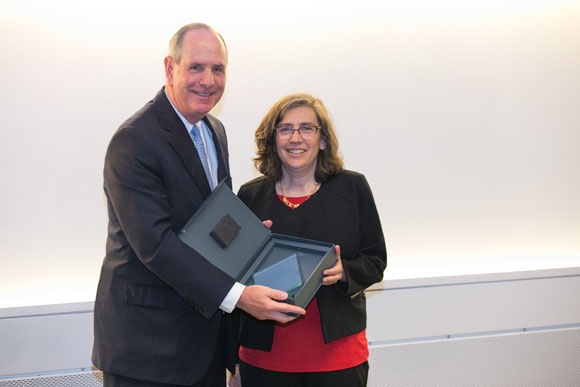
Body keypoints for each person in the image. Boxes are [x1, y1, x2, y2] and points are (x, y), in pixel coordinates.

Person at [92, 23, 305, 387]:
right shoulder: (134, 140)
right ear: (170, 68)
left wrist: (245, 237)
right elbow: (156, 246)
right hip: (147, 350)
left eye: (218, 69)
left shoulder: (213, 131)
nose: (208, 80)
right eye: (196, 67)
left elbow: (209, 220)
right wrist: (238, 297)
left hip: (202, 342)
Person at [230, 93, 387, 387]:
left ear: (323, 139)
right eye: (285, 128)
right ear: (272, 139)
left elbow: (376, 260)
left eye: (307, 128)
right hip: (264, 359)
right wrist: (233, 360)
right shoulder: (250, 196)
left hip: (337, 358)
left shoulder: (353, 188)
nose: (296, 138)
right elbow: (232, 278)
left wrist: (345, 272)